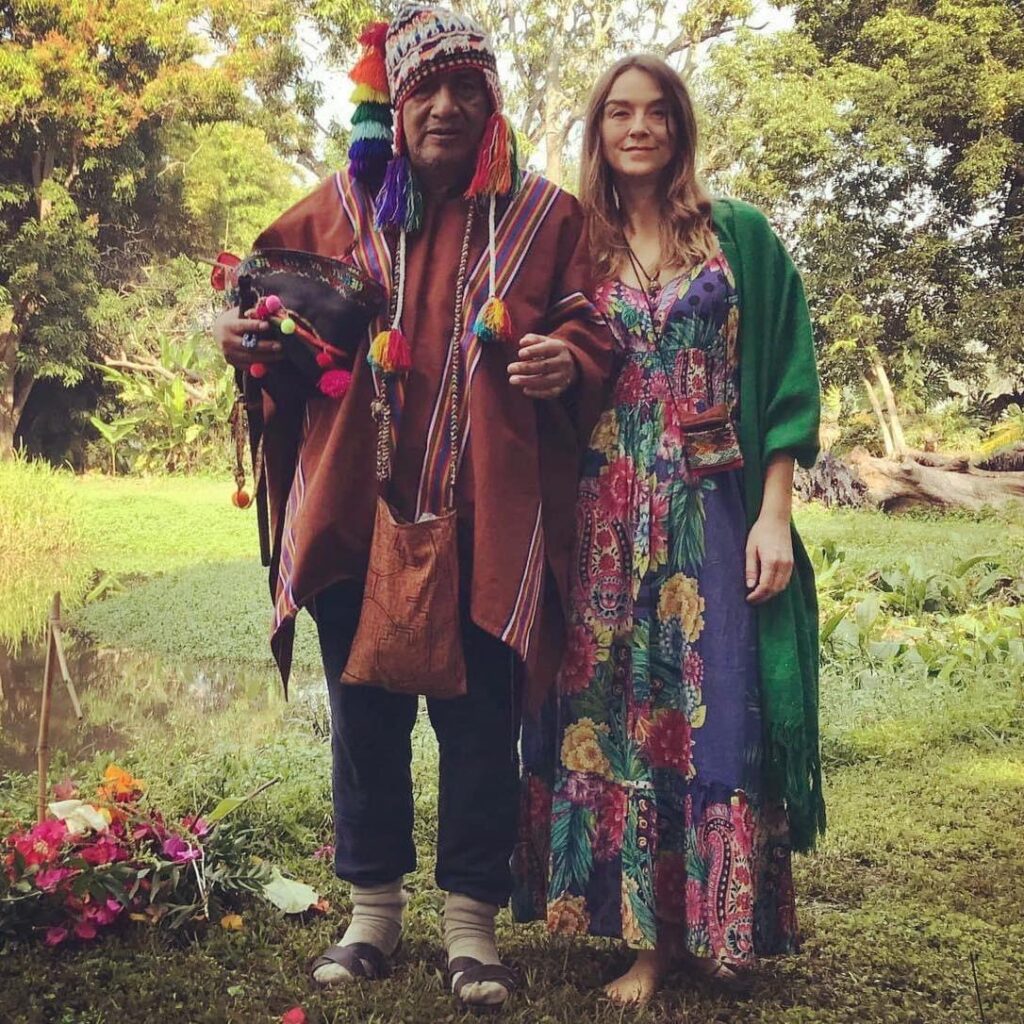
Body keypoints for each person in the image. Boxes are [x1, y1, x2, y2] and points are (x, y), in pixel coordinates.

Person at [212, 4, 612, 1010]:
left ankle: (471, 932)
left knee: (479, 727)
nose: (444, 108)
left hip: (486, 517)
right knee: (365, 720)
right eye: (425, 90)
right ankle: (372, 918)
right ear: (393, 106)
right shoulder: (337, 212)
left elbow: (592, 324)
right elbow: (262, 308)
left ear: (491, 103)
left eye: (466, 89)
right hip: (356, 510)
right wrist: (244, 340)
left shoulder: (545, 219)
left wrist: (568, 358)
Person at [512, 54, 824, 1005]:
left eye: (656, 112)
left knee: (716, 705)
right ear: (599, 130)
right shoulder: (572, 245)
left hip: (712, 507)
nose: (638, 127)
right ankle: (647, 942)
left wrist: (774, 516)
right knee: (614, 714)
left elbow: (786, 377)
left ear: (680, 127)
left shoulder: (739, 237)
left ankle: (721, 925)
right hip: (601, 513)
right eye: (619, 113)